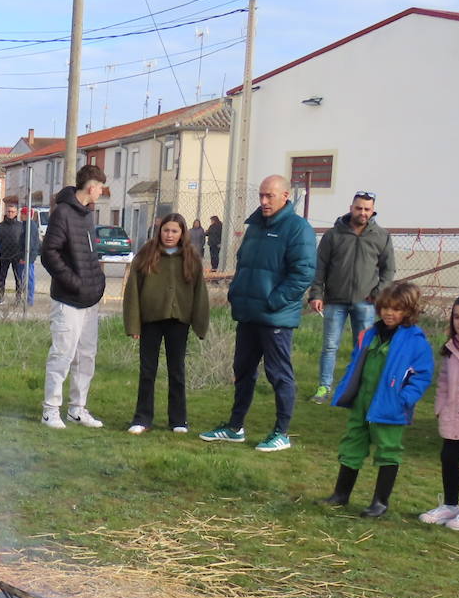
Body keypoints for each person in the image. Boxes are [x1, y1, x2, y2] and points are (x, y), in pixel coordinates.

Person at [199, 175, 316, 451]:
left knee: (278, 374)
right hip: (248, 313)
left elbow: (303, 274)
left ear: (285, 196)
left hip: (275, 316)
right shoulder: (254, 227)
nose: (264, 201)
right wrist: (236, 291)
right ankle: (235, 427)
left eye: (270, 196)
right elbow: (244, 265)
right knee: (242, 371)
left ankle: (281, 433)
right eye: (261, 195)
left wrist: (274, 301)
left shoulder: (298, 229)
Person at [321, 281, 434, 517]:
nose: (389, 313)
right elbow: (356, 362)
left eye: (396, 309)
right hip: (362, 400)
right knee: (352, 443)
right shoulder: (370, 334)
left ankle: (380, 502)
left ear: (408, 311)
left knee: (388, 449)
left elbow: (422, 375)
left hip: (391, 405)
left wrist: (405, 398)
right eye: (385, 308)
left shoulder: (415, 341)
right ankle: (341, 495)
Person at [122, 213, 210, 434]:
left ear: (182, 234)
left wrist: (200, 323)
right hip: (150, 321)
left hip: (179, 321)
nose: (169, 235)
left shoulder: (191, 257)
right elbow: (133, 290)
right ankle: (142, 418)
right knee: (147, 370)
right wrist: (134, 325)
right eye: (166, 230)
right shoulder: (146, 254)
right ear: (159, 231)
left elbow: (200, 293)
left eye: (174, 231)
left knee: (177, 370)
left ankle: (178, 419)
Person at [307, 191, 396, 404]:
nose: (363, 212)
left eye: (367, 209)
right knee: (330, 346)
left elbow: (388, 270)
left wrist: (378, 295)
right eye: (359, 208)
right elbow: (320, 267)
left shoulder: (381, 236)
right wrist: (316, 294)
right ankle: (324, 388)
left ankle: (357, 389)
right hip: (334, 301)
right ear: (351, 208)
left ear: (373, 210)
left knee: (363, 347)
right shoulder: (333, 235)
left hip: (365, 303)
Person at [39, 164, 109, 429]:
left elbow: (89, 254)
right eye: (100, 187)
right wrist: (74, 282)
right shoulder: (63, 214)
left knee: (86, 355)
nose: (101, 192)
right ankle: (50, 410)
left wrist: (96, 282)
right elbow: (49, 254)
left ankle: (77, 409)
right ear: (91, 188)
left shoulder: (86, 215)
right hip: (68, 300)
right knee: (63, 354)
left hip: (90, 301)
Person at [418, 293, 459, 528]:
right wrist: (440, 408)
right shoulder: (449, 349)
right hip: (453, 417)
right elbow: (444, 383)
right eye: (457, 316)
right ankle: (450, 505)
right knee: (448, 458)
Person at [0, 202, 26, 305]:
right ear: (5, 212)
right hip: (4, 256)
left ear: (16, 213)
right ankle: (1, 297)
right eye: (8, 211)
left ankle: (18, 298)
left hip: (17, 256)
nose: (10, 213)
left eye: (12, 212)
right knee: (2, 277)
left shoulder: (21, 226)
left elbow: (24, 241)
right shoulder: (0, 226)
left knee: (18, 278)